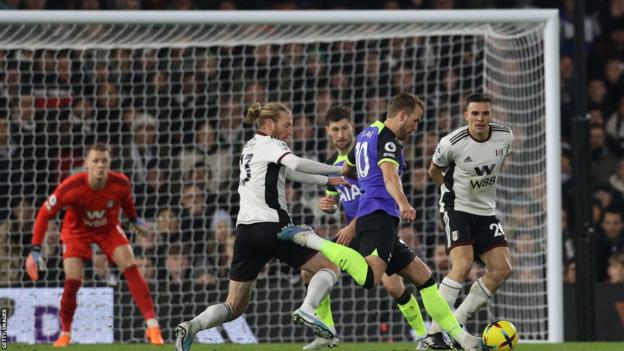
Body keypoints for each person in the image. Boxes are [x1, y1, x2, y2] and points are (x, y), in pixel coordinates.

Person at [278, 92, 483, 350]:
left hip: (374, 218)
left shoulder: (366, 134)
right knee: (371, 279)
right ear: (402, 115)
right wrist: (403, 202)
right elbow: (389, 175)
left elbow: (348, 170)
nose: (415, 127)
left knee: (424, 277)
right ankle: (311, 239)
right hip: (378, 215)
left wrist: (362, 182)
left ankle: (457, 339)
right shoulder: (388, 140)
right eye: (416, 121)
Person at [173, 102, 350, 351]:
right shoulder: (273, 144)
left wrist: (327, 180)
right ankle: (307, 309)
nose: (291, 130)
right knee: (330, 267)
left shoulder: (250, 146)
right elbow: (297, 165)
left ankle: (192, 325)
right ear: (269, 124)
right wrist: (340, 167)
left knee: (235, 305)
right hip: (274, 227)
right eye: (286, 124)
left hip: (245, 232)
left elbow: (287, 174)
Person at [300, 105, 426, 350]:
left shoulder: (367, 150)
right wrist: (328, 205)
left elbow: (374, 194)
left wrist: (353, 225)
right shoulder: (332, 164)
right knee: (308, 270)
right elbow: (335, 198)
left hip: (373, 225)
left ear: (353, 128)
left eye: (345, 128)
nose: (340, 135)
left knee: (393, 286)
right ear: (327, 131)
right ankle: (327, 334)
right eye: (335, 129)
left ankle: (422, 335)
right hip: (352, 233)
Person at [25, 143, 164, 347]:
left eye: (104, 161)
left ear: (109, 163)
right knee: (73, 281)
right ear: (86, 164)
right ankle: (65, 333)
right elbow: (45, 213)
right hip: (76, 232)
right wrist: (35, 250)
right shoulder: (71, 186)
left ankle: (153, 327)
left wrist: (135, 221)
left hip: (108, 229)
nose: (100, 165)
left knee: (131, 267)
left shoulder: (120, 183)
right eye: (96, 161)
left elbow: (127, 205)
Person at [424, 93, 513, 349]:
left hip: (485, 211)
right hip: (457, 208)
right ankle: (434, 334)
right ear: (466, 116)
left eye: (485, 113)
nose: (480, 118)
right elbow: (434, 170)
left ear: (490, 115)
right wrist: (450, 189)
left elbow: (499, 162)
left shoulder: (505, 137)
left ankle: (455, 324)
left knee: (502, 269)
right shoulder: (452, 143)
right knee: (461, 266)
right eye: (475, 113)